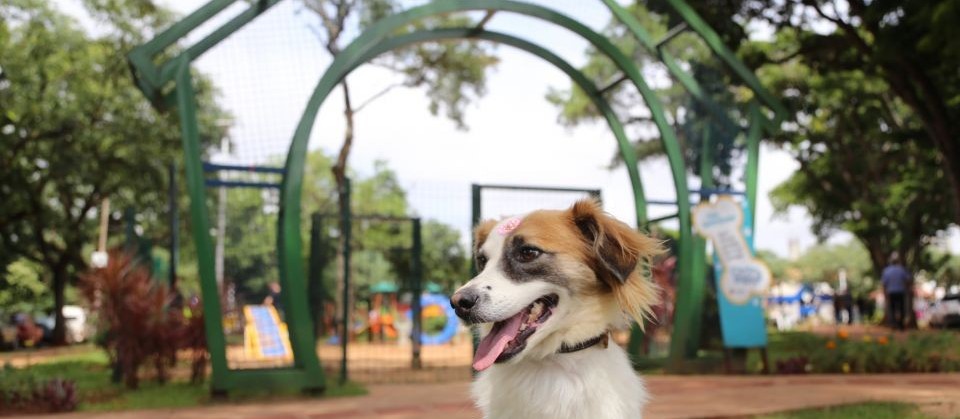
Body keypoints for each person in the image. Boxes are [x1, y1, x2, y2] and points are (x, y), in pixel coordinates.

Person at [881, 252, 911, 330]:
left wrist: (885, 293)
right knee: (901, 308)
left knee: (892, 308)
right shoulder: (902, 269)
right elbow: (907, 280)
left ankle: (894, 324)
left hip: (891, 292)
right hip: (900, 292)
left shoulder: (887, 271)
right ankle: (901, 325)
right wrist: (907, 289)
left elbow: (884, 284)